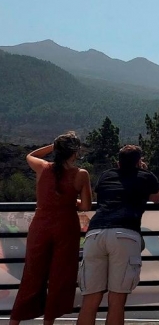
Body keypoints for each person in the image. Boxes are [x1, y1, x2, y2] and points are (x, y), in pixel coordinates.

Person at [10, 132, 92, 325]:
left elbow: (30, 156)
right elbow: (86, 207)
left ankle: (14, 322)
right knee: (60, 276)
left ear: (58, 150)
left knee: (32, 274)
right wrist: (72, 200)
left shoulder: (43, 168)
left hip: (40, 225)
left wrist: (52, 146)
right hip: (65, 226)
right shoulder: (81, 174)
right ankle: (48, 322)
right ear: (75, 152)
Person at [76, 145, 159, 325]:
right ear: (139, 161)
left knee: (90, 299)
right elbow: (157, 197)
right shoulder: (145, 177)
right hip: (125, 234)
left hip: (95, 233)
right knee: (116, 302)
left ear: (118, 161)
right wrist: (144, 173)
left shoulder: (106, 175)